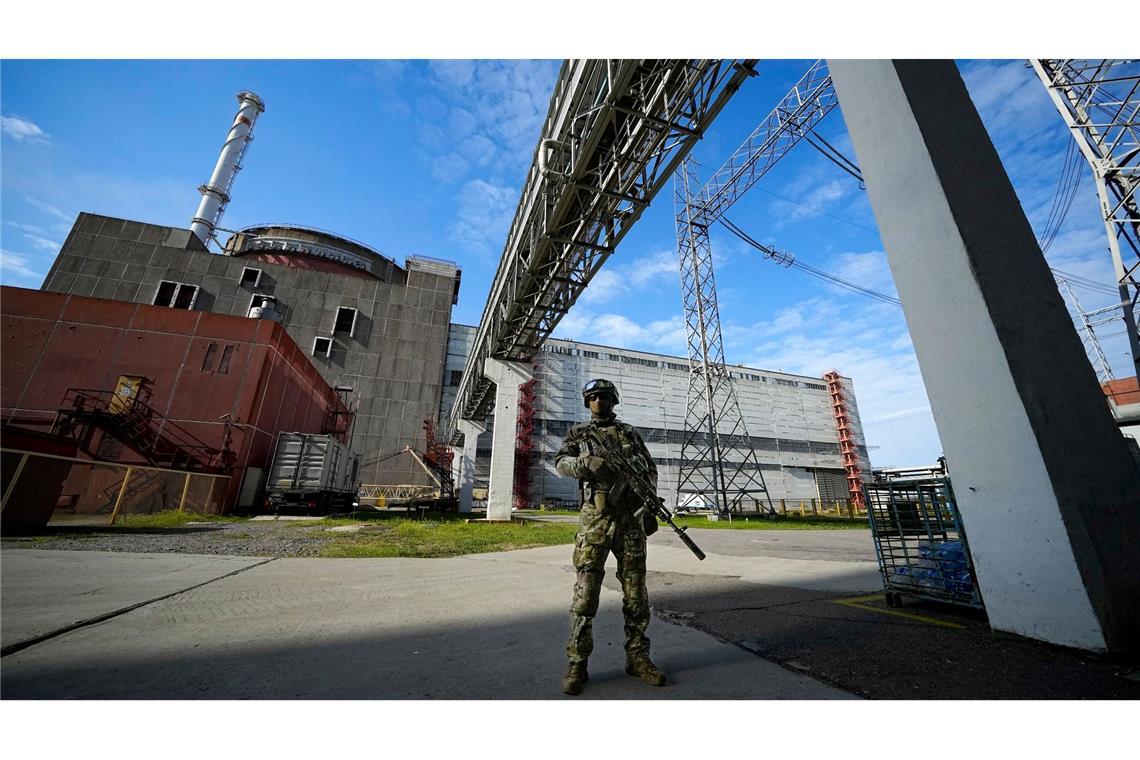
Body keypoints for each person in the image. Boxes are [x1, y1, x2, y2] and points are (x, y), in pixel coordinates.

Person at [554, 378, 667, 695]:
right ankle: (577, 662)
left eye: (604, 397)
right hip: (595, 521)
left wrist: (648, 503)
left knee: (636, 595)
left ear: (614, 400)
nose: (599, 402)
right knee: (586, 593)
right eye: (592, 397)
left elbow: (649, 470)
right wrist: (583, 464)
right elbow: (560, 462)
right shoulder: (579, 434)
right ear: (587, 402)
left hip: (630, 520)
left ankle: (638, 657)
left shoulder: (630, 433)